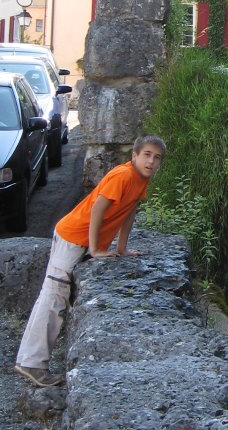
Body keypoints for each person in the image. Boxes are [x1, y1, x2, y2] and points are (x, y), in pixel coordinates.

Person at [14, 134, 166, 387]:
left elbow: (129, 212)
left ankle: (32, 360)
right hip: (73, 237)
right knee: (54, 295)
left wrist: (122, 248)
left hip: (80, 240)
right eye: (147, 155)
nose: (151, 161)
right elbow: (97, 208)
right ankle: (31, 362)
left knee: (58, 295)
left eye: (157, 158)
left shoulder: (141, 181)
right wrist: (95, 248)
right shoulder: (124, 175)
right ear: (135, 156)